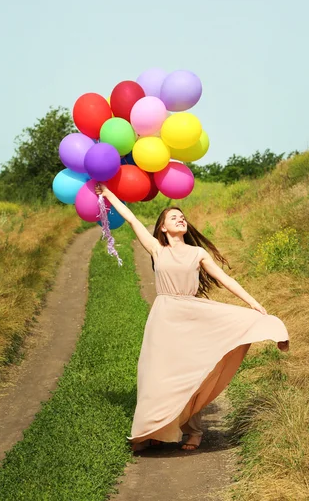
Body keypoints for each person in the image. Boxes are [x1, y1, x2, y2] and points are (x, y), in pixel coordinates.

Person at [95, 183, 289, 453]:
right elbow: (130, 218)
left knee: (193, 373)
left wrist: (254, 304)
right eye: (173, 217)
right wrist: (107, 194)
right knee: (155, 375)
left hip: (191, 315)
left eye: (182, 216)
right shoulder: (156, 248)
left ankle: (194, 432)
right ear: (163, 228)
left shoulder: (198, 253)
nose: (180, 219)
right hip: (163, 318)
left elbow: (225, 279)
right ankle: (151, 431)